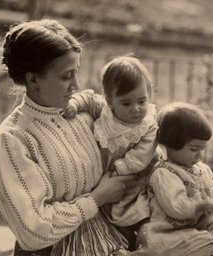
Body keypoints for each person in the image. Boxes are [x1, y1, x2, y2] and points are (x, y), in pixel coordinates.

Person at [0, 19, 137, 256]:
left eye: (76, 73)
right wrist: (96, 199)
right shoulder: (10, 140)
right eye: (66, 76)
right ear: (33, 78)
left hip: (110, 242)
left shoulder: (84, 114)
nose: (76, 85)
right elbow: (34, 230)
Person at [64, 55, 158, 249]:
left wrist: (118, 169)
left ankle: (134, 243)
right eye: (126, 103)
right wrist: (74, 105)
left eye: (142, 101)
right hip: (105, 180)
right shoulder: (104, 111)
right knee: (107, 212)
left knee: (132, 212)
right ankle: (117, 242)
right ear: (110, 100)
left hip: (133, 177)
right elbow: (87, 98)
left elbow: (141, 156)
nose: (136, 109)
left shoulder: (148, 125)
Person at [136, 102, 213, 256]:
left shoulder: (201, 169)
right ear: (172, 143)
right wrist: (200, 207)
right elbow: (176, 207)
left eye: (203, 149)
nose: (200, 155)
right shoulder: (164, 173)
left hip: (199, 229)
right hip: (171, 234)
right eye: (194, 149)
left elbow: (206, 188)